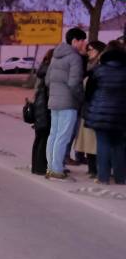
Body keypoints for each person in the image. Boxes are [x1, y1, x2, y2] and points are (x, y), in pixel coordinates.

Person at [44, 28, 88, 180]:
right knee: (63, 136)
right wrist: (81, 99)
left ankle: (51, 167)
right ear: (75, 41)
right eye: (82, 41)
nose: (84, 44)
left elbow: (47, 80)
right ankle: (57, 170)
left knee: (53, 135)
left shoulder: (56, 56)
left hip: (54, 101)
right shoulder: (75, 58)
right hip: (68, 103)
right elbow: (74, 83)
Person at [83, 38, 126, 185]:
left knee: (103, 144)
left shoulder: (98, 70)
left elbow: (88, 92)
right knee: (119, 144)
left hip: (100, 113)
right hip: (121, 114)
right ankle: (120, 178)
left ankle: (103, 177)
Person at [71, 41, 104, 176]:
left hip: (94, 108)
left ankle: (95, 169)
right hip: (88, 108)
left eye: (91, 50)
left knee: (92, 140)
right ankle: (92, 168)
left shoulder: (99, 67)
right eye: (88, 49)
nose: (89, 52)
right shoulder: (90, 64)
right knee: (88, 140)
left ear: (99, 51)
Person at [29, 48, 54, 176]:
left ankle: (35, 166)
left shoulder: (42, 70)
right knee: (45, 137)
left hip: (39, 105)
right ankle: (41, 167)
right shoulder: (49, 72)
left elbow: (36, 90)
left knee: (39, 137)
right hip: (45, 106)